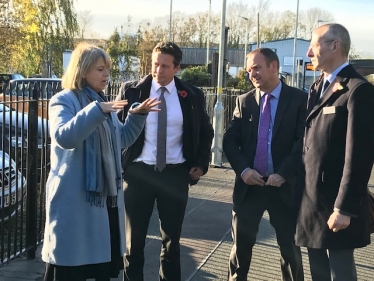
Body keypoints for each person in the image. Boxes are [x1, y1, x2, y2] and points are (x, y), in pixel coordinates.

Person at [42, 42, 160, 281]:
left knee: (98, 269)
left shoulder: (101, 102)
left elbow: (122, 139)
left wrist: (138, 116)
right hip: (75, 203)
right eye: (100, 69)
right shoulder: (63, 100)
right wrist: (98, 110)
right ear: (82, 70)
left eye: (107, 69)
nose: (107, 74)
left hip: (103, 204)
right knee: (71, 269)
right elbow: (65, 137)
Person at [115, 41, 214, 281]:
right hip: (138, 173)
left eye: (165, 66)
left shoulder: (191, 95)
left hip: (174, 174)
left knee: (172, 242)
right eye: (155, 64)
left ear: (177, 68)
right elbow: (115, 130)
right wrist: (118, 162)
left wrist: (200, 164)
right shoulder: (131, 90)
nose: (158, 70)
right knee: (134, 242)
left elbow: (205, 132)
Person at [295, 23, 374, 281]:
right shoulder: (318, 86)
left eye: (314, 45)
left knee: (340, 272)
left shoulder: (358, 90)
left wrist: (345, 208)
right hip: (311, 200)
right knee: (318, 273)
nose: (308, 53)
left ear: (334, 46)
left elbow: (359, 156)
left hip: (335, 203)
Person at [223, 48, 306, 281]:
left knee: (290, 250)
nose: (252, 74)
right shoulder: (244, 101)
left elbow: (303, 143)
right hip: (250, 187)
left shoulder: (299, 99)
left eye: (257, 68)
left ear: (274, 66)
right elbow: (230, 141)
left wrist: (284, 173)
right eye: (249, 70)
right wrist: (244, 170)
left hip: (284, 187)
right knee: (240, 249)